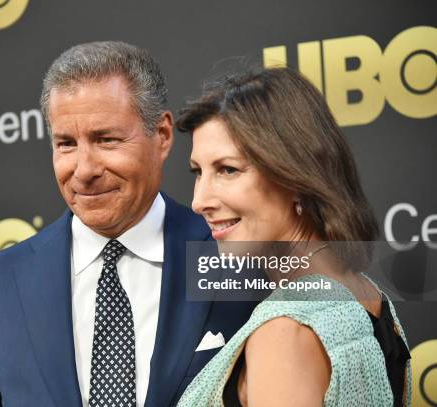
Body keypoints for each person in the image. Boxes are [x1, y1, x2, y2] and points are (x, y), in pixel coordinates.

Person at [0, 41, 256, 407]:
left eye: (106, 140)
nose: (84, 170)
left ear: (161, 136)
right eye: (65, 143)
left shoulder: (238, 254)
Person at [176, 67, 411, 406]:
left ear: (295, 176)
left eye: (228, 169)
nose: (199, 202)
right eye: (198, 172)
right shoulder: (369, 295)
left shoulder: (286, 330)